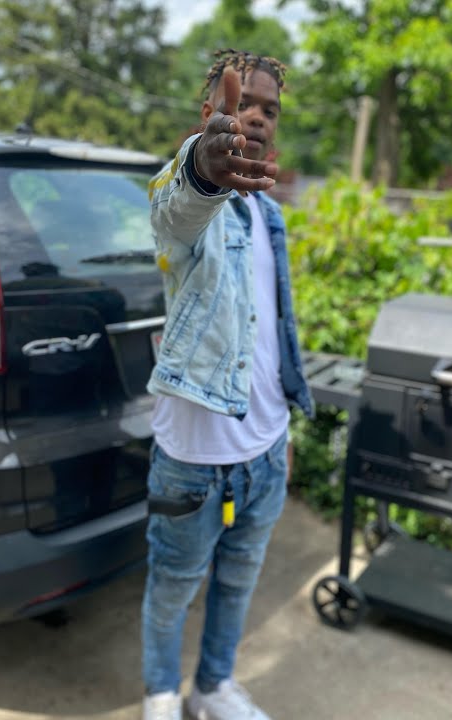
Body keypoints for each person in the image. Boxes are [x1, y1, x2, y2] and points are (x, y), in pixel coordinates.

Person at [140, 49, 315, 720]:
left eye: (270, 109)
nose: (258, 117)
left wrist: (282, 431)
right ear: (209, 112)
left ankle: (212, 688)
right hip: (192, 465)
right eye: (245, 104)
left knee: (237, 586)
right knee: (171, 592)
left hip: (264, 455)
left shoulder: (270, 215)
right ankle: (162, 696)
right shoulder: (186, 194)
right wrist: (202, 169)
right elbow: (175, 210)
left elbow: (272, 331)